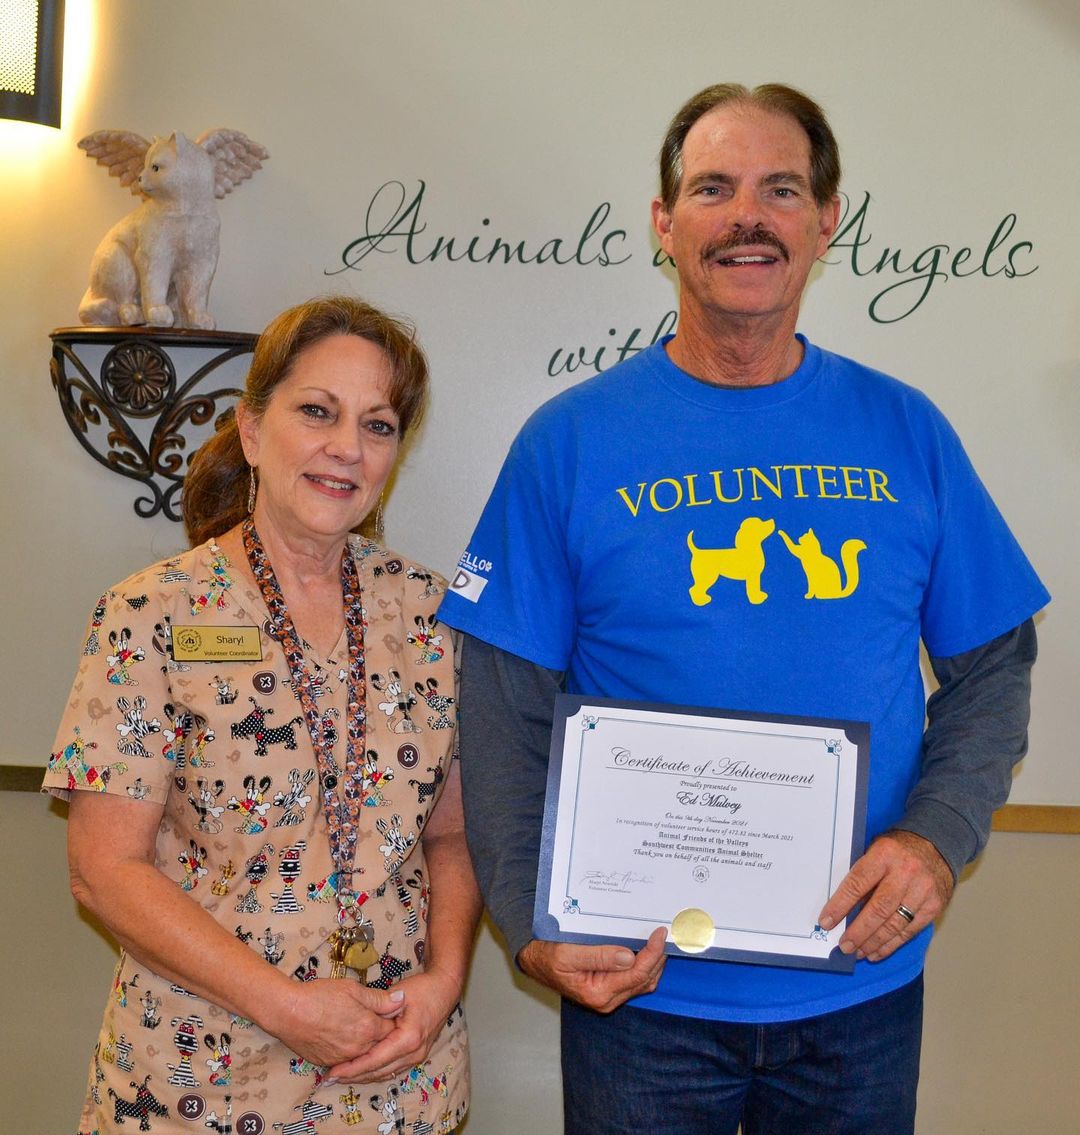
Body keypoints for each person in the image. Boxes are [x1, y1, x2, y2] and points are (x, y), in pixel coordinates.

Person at [437, 84, 1050, 1134]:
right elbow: (500, 701)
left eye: (780, 188)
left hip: (857, 984)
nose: (747, 216)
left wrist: (937, 839)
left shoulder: (907, 430)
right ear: (664, 222)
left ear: (828, 221)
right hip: (641, 989)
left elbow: (996, 664)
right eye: (713, 188)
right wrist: (533, 921)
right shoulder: (569, 440)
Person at [44, 295, 480, 1135]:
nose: (346, 448)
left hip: (395, 1076)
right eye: (317, 411)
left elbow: (453, 836)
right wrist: (287, 1006)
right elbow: (104, 869)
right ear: (251, 430)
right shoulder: (151, 614)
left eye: (378, 425)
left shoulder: (433, 617)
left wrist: (445, 980)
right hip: (198, 1083)